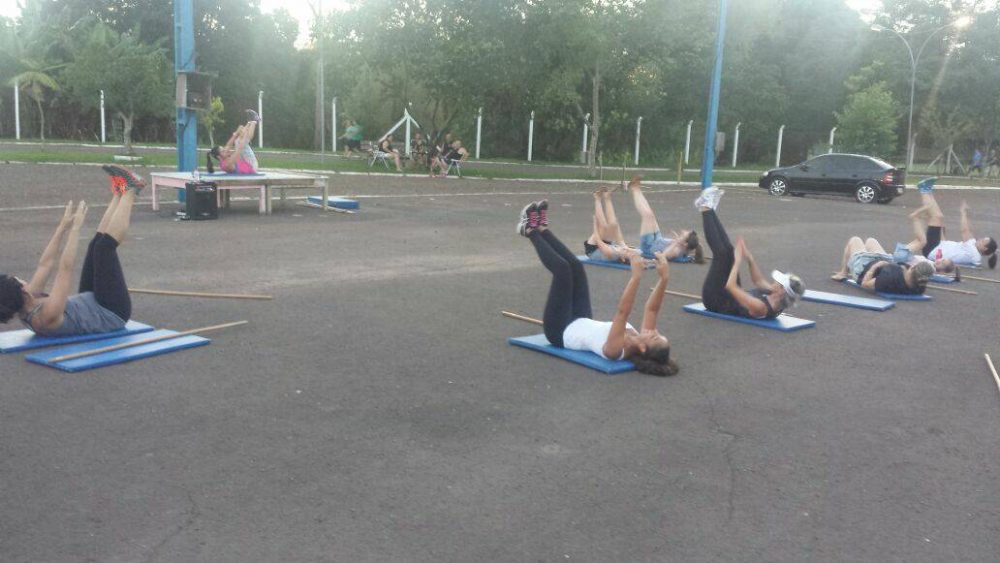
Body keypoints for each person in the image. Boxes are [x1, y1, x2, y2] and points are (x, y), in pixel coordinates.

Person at [517, 199, 678, 376]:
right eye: (658, 333)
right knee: (576, 268)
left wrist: (636, 277)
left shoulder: (616, 350)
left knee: (562, 271)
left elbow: (622, 312)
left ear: (642, 348)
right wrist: (664, 278)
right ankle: (541, 229)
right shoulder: (641, 338)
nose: (654, 330)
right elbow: (652, 310)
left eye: (654, 336)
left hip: (560, 330)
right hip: (581, 318)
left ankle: (529, 231)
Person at [0, 165, 142, 336]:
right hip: (112, 311)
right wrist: (75, 229)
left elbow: (45, 264)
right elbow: (65, 269)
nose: (22, 280)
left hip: (90, 303)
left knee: (95, 246)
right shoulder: (46, 316)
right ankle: (131, 189)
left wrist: (62, 227)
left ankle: (120, 191)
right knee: (104, 248)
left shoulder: (25, 304)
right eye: (17, 280)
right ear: (21, 291)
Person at [696, 187, 804, 319]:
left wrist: (737, 261)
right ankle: (709, 208)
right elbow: (758, 281)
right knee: (729, 251)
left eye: (779, 282)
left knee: (722, 255)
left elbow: (731, 286)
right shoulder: (776, 295)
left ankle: (705, 208)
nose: (775, 282)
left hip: (716, 300)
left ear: (781, 291)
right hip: (730, 295)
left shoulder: (760, 307)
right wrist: (749, 258)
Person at [907, 178, 997, 269]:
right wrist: (966, 213)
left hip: (933, 250)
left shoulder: (974, 254)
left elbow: (965, 231)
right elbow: (969, 231)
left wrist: (963, 212)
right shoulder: (973, 246)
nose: (980, 239)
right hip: (941, 245)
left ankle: (924, 190)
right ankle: (927, 190)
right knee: (939, 217)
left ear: (985, 248)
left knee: (936, 217)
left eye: (983, 241)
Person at [626, 175, 704, 263]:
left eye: (686, 234)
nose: (685, 231)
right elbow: (694, 245)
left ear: (685, 244)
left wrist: (676, 242)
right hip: (657, 239)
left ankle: (634, 189)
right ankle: (636, 188)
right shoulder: (684, 246)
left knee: (647, 215)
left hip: (649, 246)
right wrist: (679, 241)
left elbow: (662, 257)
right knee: (650, 215)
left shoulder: (677, 251)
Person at [832, 236, 934, 295]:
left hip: (864, 268)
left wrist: (875, 267)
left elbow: (865, 283)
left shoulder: (888, 279)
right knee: (871, 241)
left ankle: (843, 272)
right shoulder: (919, 286)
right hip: (885, 262)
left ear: (913, 268)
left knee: (855, 240)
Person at [585, 186, 639, 263]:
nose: (628, 250)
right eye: (630, 251)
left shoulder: (610, 254)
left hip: (593, 249)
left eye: (627, 253)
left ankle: (597, 198)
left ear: (623, 258)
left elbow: (598, 240)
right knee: (613, 224)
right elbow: (620, 239)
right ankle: (607, 198)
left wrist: (595, 223)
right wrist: (615, 225)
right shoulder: (625, 250)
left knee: (603, 227)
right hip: (606, 244)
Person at [207, 110, 260, 174]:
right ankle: (254, 121)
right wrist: (244, 135)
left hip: (245, 161)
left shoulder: (224, 158)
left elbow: (228, 144)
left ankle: (250, 122)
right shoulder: (226, 164)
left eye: (224, 149)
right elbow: (239, 149)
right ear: (219, 157)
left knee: (237, 140)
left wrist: (237, 132)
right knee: (241, 142)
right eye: (223, 151)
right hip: (252, 166)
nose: (226, 150)